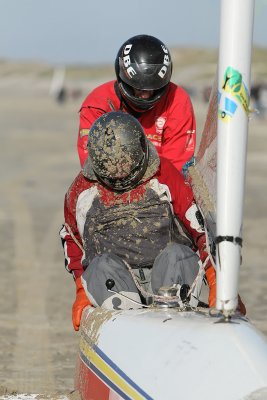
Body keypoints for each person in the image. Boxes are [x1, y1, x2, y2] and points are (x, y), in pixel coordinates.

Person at [60, 111, 245, 332]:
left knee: (177, 254)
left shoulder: (164, 175)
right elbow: (72, 239)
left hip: (168, 278)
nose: (121, 177)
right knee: (100, 265)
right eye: (113, 174)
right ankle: (124, 328)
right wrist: (81, 287)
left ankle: (175, 322)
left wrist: (218, 279)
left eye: (126, 170)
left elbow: (201, 230)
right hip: (117, 283)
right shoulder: (82, 191)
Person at [77, 34, 196, 173]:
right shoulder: (97, 104)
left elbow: (176, 165)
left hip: (161, 181)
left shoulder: (177, 100)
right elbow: (92, 163)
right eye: (138, 88)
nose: (145, 95)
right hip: (111, 181)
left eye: (152, 89)